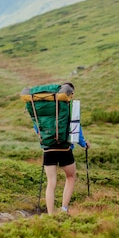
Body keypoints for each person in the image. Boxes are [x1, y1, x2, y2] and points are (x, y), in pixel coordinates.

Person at [35, 82, 89, 215]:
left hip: (48, 149)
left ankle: (50, 214)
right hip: (64, 149)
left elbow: (38, 127)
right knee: (70, 177)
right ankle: (64, 209)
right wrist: (83, 144)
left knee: (51, 182)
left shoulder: (44, 109)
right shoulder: (68, 107)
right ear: (70, 94)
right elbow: (76, 127)